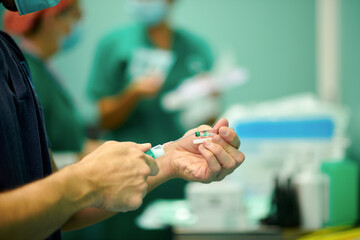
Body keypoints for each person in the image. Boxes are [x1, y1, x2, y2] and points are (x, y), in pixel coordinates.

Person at [0, 2, 245, 240]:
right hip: (120, 194)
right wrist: (88, 181)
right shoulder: (115, 44)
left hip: (137, 180)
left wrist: (169, 156)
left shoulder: (11, 58)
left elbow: (56, 206)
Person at [87, 0, 214, 238]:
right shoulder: (115, 44)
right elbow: (103, 119)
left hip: (181, 179)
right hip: (128, 174)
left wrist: (208, 100)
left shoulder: (195, 48)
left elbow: (206, 123)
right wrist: (132, 93)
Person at [2, 0, 99, 167]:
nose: (77, 26)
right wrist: (79, 159)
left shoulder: (43, 68)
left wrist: (90, 149)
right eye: (74, 17)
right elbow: (30, 156)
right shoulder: (27, 71)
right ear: (51, 20)